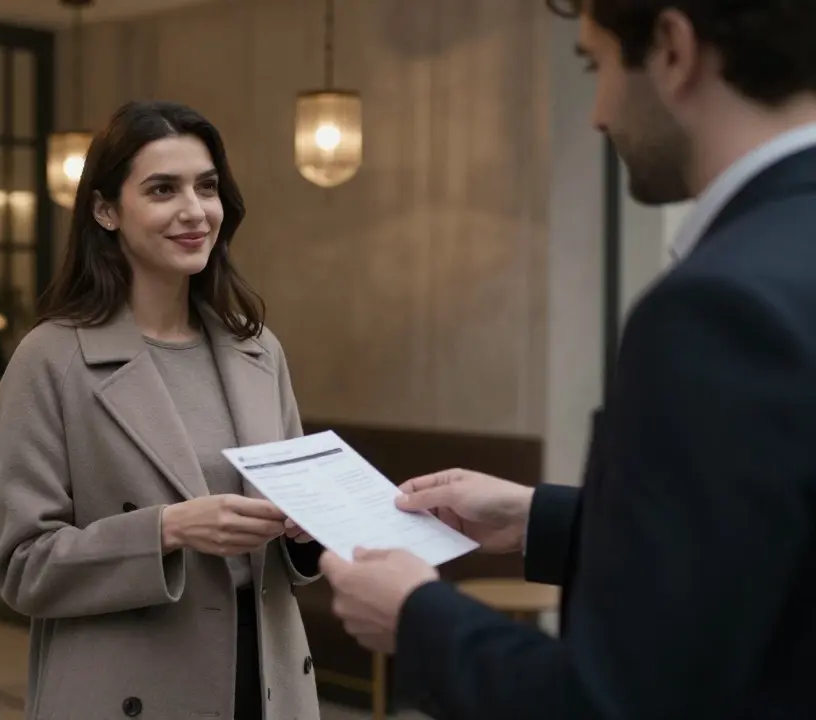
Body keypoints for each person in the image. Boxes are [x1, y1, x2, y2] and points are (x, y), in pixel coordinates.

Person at [318, 1, 816, 718]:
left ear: (673, 49)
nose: (597, 114)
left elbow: (615, 703)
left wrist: (417, 618)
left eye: (597, 66)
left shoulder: (716, 307)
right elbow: (768, 554)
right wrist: (538, 519)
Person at [0, 100, 323, 720]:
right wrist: (168, 529)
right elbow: (23, 568)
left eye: (207, 186)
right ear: (105, 210)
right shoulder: (51, 359)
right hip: (129, 687)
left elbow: (288, 534)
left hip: (268, 682)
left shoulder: (257, 350)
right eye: (163, 189)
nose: (194, 211)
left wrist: (309, 531)